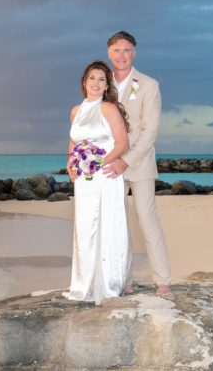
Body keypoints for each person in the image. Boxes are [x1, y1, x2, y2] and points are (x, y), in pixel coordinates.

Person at [102, 31, 172, 297]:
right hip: (110, 164)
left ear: (134, 52)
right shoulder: (101, 83)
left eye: (127, 50)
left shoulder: (148, 84)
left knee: (147, 220)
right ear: (110, 53)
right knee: (117, 223)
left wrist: (127, 160)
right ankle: (124, 278)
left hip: (139, 163)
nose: (122, 55)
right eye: (117, 50)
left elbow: (150, 130)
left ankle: (163, 280)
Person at [62, 60, 131, 304]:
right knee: (85, 228)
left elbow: (123, 143)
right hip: (83, 179)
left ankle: (109, 284)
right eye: (92, 78)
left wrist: (97, 163)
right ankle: (84, 284)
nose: (96, 83)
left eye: (101, 79)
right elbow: (73, 141)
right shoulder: (75, 111)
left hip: (105, 175)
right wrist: (72, 163)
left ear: (106, 85)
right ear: (84, 82)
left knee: (107, 224)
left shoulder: (108, 109)